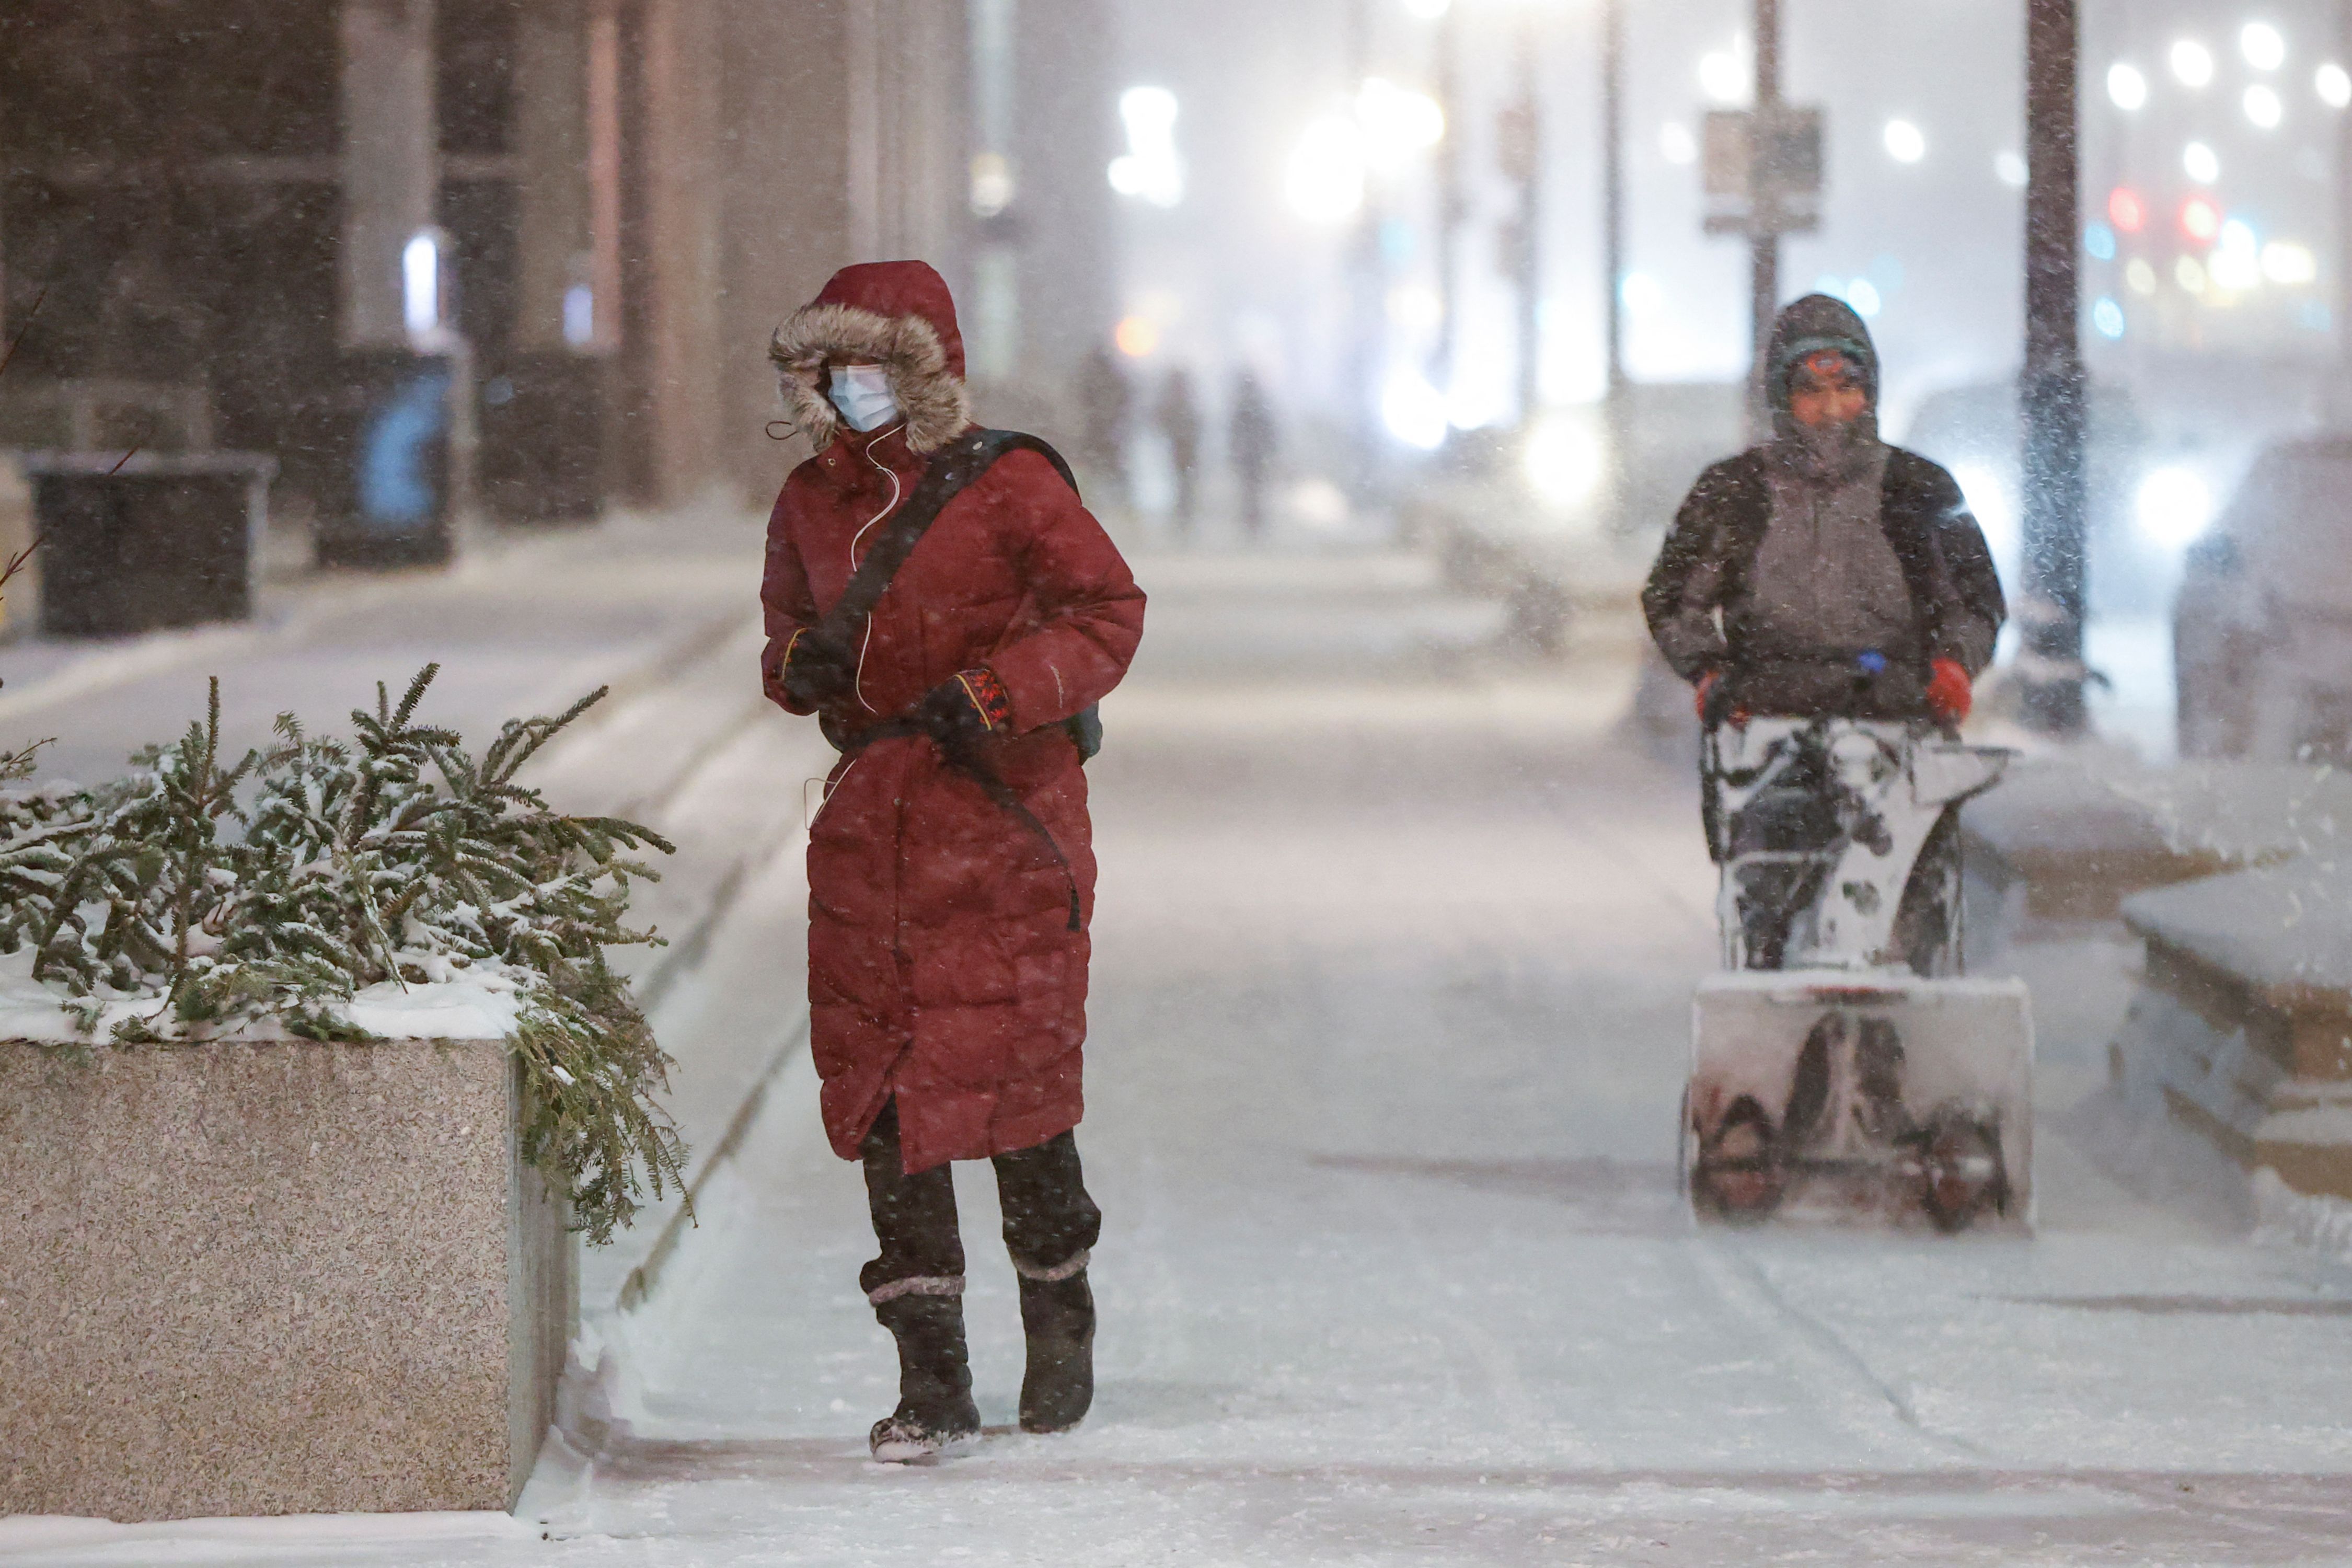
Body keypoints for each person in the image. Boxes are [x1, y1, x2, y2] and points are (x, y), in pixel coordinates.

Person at [762, 260, 1147, 1462]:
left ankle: (1058, 1314)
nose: (849, 391)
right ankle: (929, 1378)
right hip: (873, 826)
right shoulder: (807, 500)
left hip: (1002, 815)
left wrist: (992, 692)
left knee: (1015, 1083)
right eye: (831, 372)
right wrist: (797, 672)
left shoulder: (1009, 483)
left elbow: (1103, 612)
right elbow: (781, 623)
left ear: (925, 372)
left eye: (871, 369)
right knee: (885, 1095)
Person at [1642, 294, 2005, 970]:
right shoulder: (1733, 493)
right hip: (1772, 735)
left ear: (1871, 391)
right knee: (1772, 915)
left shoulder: (1919, 489)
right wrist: (1711, 674)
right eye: (1811, 392)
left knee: (1909, 917)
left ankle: (1914, 1042)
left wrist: (1954, 669)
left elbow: (1975, 601)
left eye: (1847, 387)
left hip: (1899, 725)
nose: (1832, 408)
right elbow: (1673, 599)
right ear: (1782, 397)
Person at [1228, 368, 1277, 540]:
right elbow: (1269, 431)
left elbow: (1235, 432)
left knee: (1250, 491)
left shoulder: (1243, 406)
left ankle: (1252, 523)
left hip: (1250, 455)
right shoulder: (1255, 405)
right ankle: (1254, 524)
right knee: (1253, 491)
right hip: (1255, 455)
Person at [1155, 367, 1202, 534]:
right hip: (1180, 452)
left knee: (1183, 486)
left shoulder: (1180, 404)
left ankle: (1183, 519)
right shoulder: (1182, 403)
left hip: (1182, 452)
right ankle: (1182, 519)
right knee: (1182, 486)